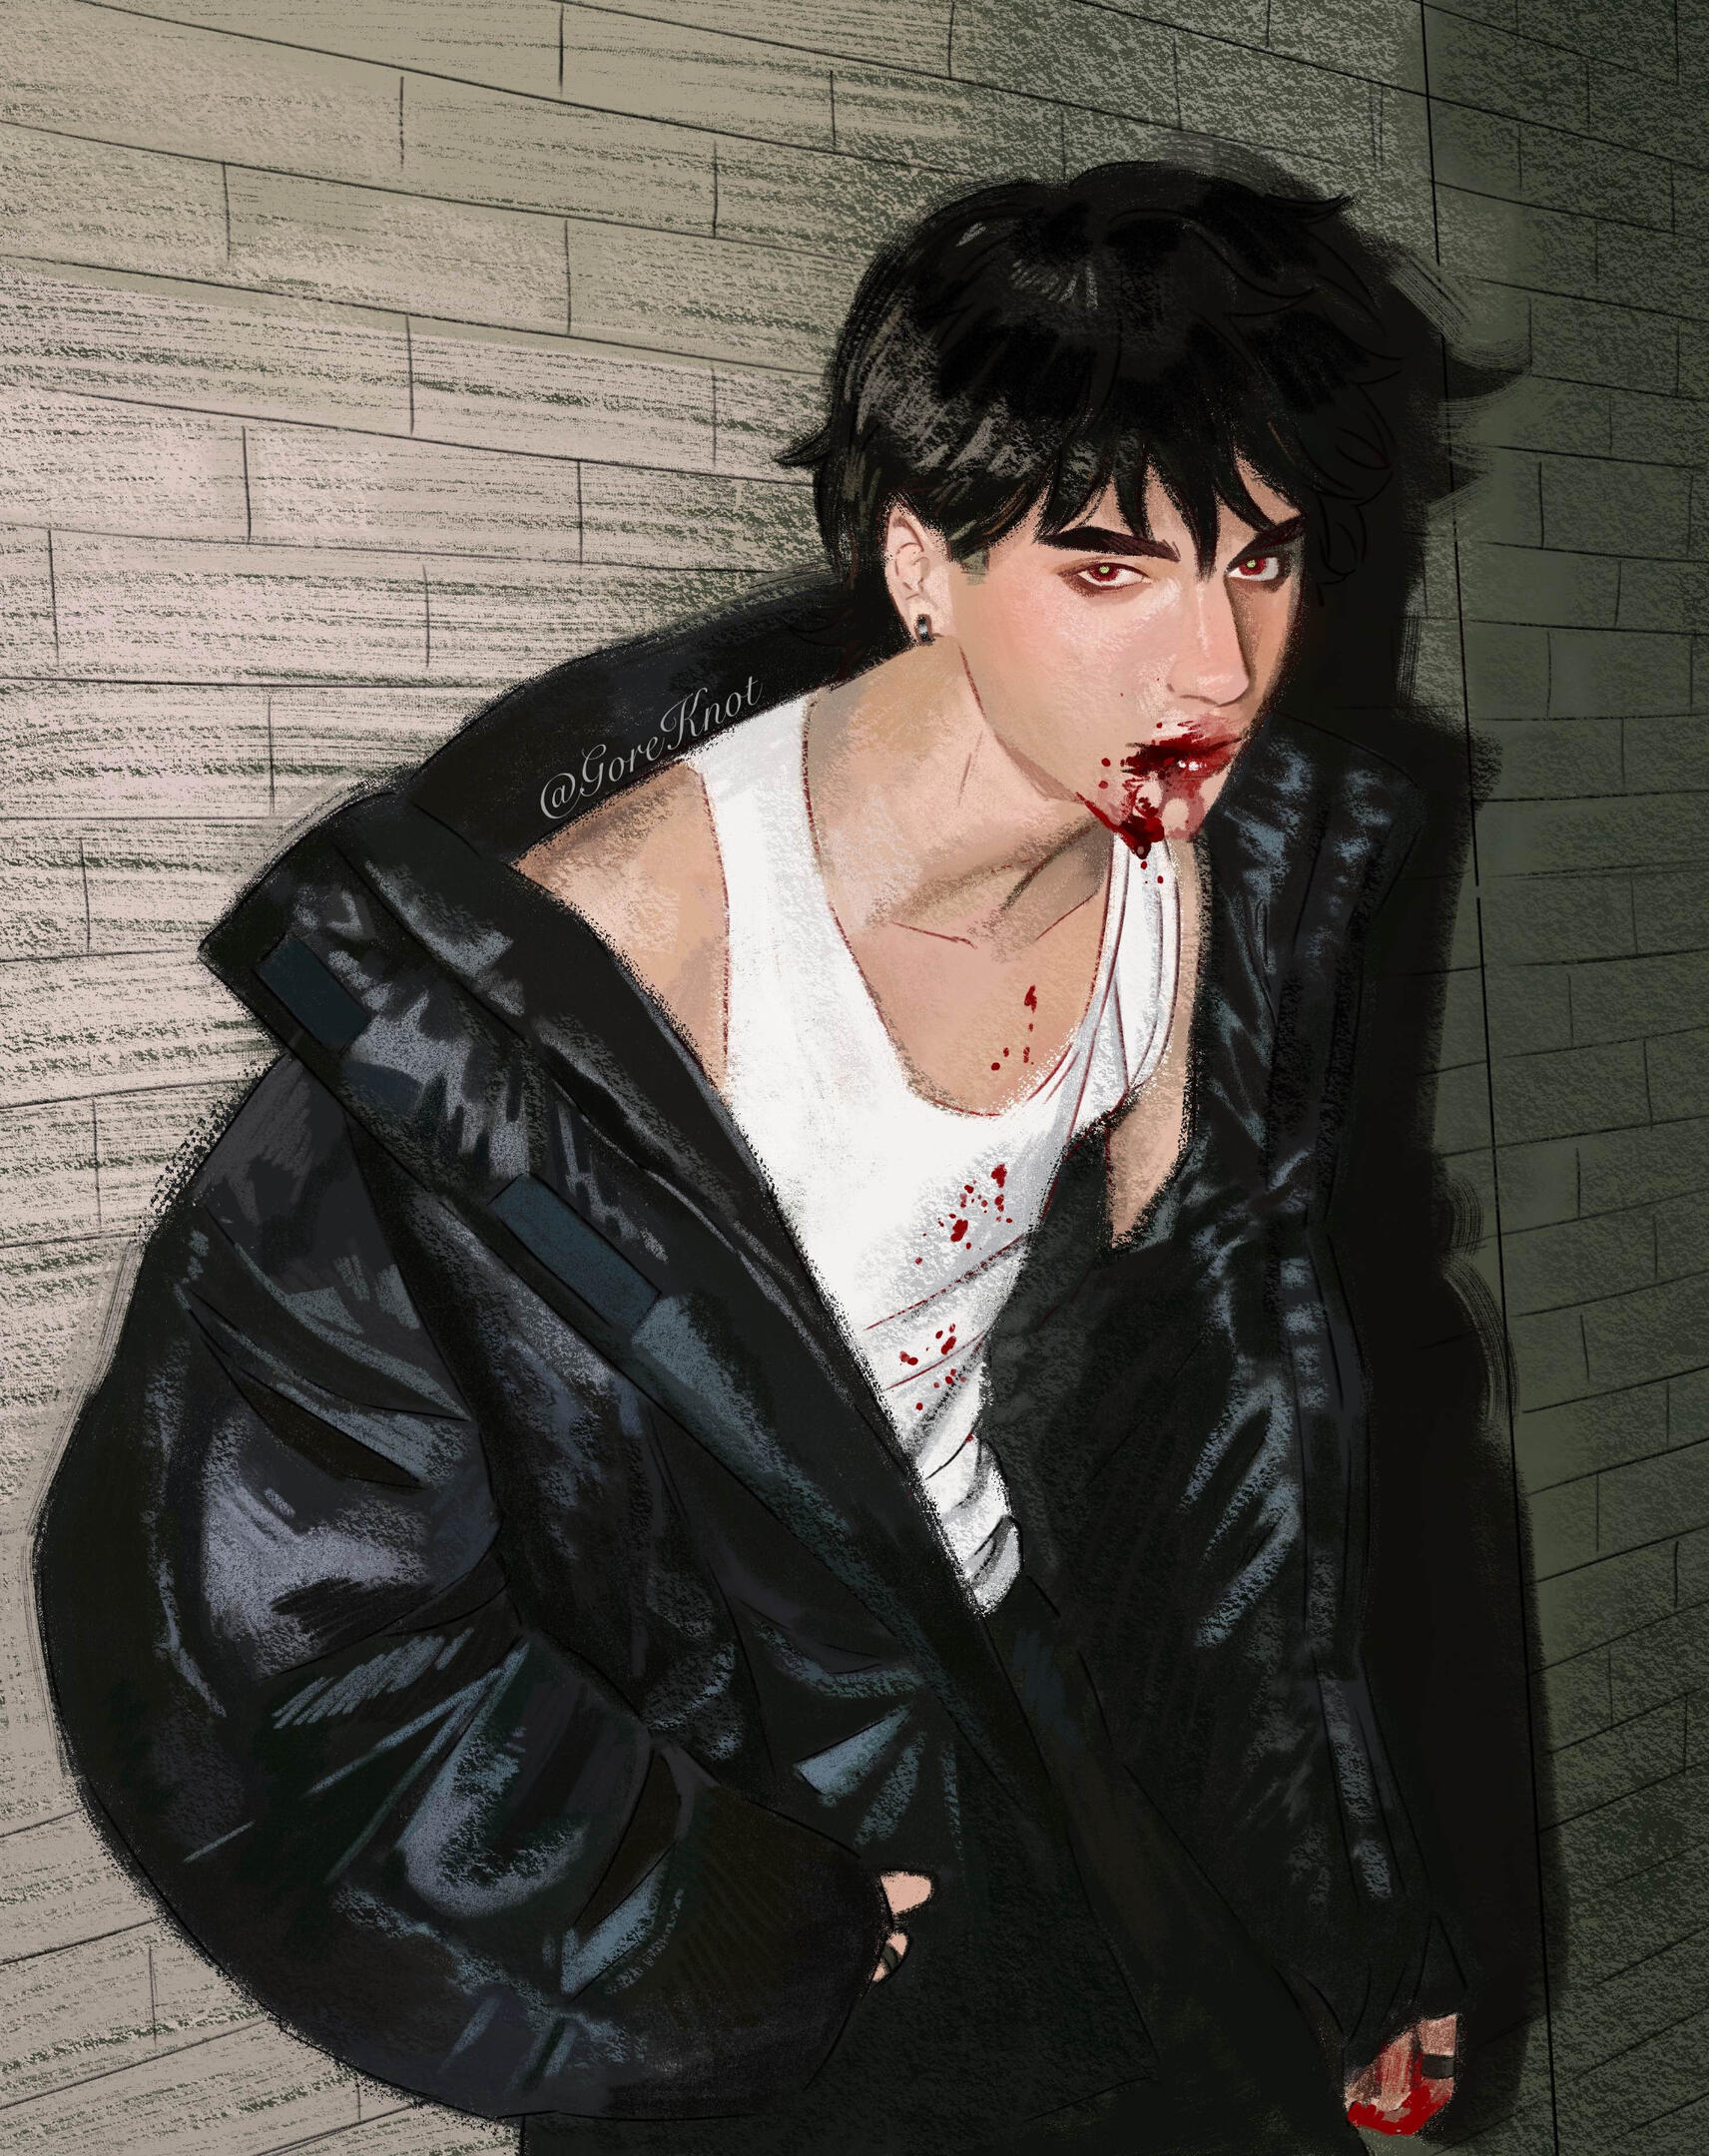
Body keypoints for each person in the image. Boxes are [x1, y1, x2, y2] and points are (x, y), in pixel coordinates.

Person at [35, 162, 1480, 2153]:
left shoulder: (1217, 877)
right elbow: (258, 1622)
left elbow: (1230, 1418)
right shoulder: (570, 982)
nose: (1216, 666)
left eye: (1263, 560)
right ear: (919, 563)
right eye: (1109, 568)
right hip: (767, 1816)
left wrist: (1343, 1905)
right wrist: (711, 1923)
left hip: (1060, 1726)